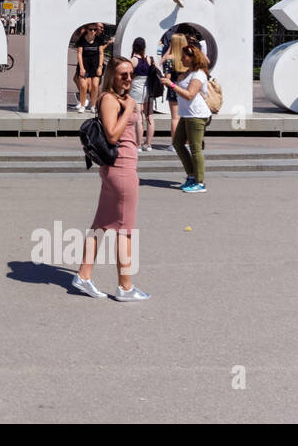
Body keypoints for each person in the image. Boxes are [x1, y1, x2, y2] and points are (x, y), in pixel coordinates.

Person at [72, 57, 149, 301]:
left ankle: (83, 276)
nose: (128, 78)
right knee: (125, 231)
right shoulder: (109, 100)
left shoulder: (123, 99)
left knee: (102, 225)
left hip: (119, 168)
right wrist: (128, 110)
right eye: (122, 74)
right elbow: (113, 135)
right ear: (111, 76)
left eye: (130, 74)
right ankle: (125, 287)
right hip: (121, 169)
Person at [168, 43, 212, 193]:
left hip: (197, 115)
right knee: (178, 143)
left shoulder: (199, 74)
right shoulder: (188, 72)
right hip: (187, 114)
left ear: (193, 58)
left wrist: (172, 85)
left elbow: (189, 95)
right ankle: (191, 176)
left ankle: (200, 182)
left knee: (195, 148)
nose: (182, 59)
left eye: (185, 57)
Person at [160, 32, 188, 142]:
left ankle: (175, 143)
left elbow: (167, 76)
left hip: (173, 88)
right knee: (185, 117)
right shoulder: (187, 58)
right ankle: (186, 142)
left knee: (175, 118)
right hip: (186, 88)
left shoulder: (169, 59)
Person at [130, 37, 156, 151]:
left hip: (136, 89)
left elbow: (128, 75)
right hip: (148, 90)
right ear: (144, 47)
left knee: (138, 117)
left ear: (134, 47)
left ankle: (138, 145)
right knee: (149, 116)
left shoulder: (133, 60)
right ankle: (148, 144)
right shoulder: (150, 59)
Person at [74, 25, 105, 112]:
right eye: (91, 29)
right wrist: (81, 68)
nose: (93, 31)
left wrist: (100, 66)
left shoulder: (99, 40)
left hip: (95, 65)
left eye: (95, 29)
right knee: (83, 86)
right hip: (84, 65)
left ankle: (93, 105)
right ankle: (82, 105)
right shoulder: (82, 40)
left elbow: (101, 54)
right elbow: (79, 54)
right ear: (87, 30)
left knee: (95, 86)